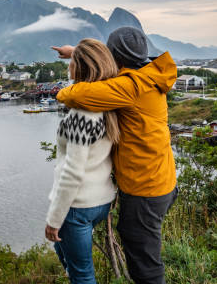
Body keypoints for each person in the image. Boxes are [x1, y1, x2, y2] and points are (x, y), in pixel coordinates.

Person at [52, 26, 178, 284]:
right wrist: (76, 52)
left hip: (146, 189)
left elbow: (73, 94)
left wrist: (71, 76)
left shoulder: (129, 87)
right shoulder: (149, 74)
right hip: (162, 179)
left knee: (145, 263)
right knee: (137, 243)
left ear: (115, 57)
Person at [45, 38, 120, 284]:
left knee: (82, 275)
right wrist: (76, 52)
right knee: (70, 259)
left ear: (79, 67)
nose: (69, 68)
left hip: (77, 206)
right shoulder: (106, 101)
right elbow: (77, 89)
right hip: (102, 201)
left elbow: (72, 172)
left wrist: (54, 220)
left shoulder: (81, 114)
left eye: (73, 63)